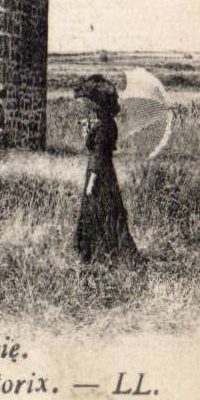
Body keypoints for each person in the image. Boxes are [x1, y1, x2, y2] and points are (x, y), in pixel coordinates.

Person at [73, 73, 140, 263]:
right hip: (107, 173)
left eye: (90, 103)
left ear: (98, 104)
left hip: (99, 174)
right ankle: (108, 253)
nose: (87, 106)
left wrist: (91, 181)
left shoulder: (103, 128)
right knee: (109, 211)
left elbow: (98, 155)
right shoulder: (108, 124)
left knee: (96, 210)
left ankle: (95, 254)